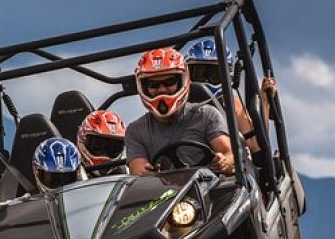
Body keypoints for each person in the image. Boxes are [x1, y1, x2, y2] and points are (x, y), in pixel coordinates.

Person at [126, 47, 234, 176]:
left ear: (182, 81)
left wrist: (224, 162)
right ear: (142, 87)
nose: (162, 90)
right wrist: (147, 172)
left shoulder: (206, 115)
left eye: (169, 82)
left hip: (210, 190)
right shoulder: (135, 130)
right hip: (165, 193)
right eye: (153, 85)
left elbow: (229, 153)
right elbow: (138, 169)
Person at [184, 38, 277, 154]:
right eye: (199, 73)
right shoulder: (177, 104)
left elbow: (255, 144)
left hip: (228, 167)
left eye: (214, 74)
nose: (205, 81)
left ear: (228, 75)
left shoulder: (232, 104)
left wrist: (265, 100)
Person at [0, 137, 85, 209]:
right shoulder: (31, 202)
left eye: (67, 179)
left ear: (78, 174)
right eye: (52, 179)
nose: (60, 186)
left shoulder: (88, 195)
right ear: (37, 173)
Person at [76, 110, 128, 176]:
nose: (104, 154)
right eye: (98, 146)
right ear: (82, 139)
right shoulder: (70, 174)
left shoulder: (128, 174)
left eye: (113, 148)